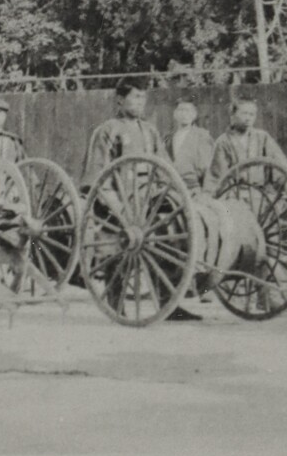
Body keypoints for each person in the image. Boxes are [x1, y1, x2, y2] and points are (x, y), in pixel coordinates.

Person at [80, 78, 203, 321]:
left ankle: (168, 303)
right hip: (118, 202)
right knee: (119, 249)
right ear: (120, 100)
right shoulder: (108, 129)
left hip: (148, 200)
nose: (140, 102)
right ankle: (116, 305)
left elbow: (165, 166)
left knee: (167, 242)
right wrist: (112, 202)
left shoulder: (149, 130)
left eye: (142, 98)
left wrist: (178, 192)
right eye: (134, 97)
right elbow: (98, 172)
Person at [207, 98, 286, 190]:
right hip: (234, 194)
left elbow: (279, 165)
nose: (248, 118)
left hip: (261, 193)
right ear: (232, 115)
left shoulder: (262, 137)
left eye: (252, 114)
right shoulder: (223, 141)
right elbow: (219, 175)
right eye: (244, 113)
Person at [166, 100, 215, 191]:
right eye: (181, 110)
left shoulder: (202, 136)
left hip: (193, 187)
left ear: (194, 115)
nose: (184, 114)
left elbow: (207, 166)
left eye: (188, 111)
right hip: (171, 187)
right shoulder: (169, 138)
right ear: (175, 114)